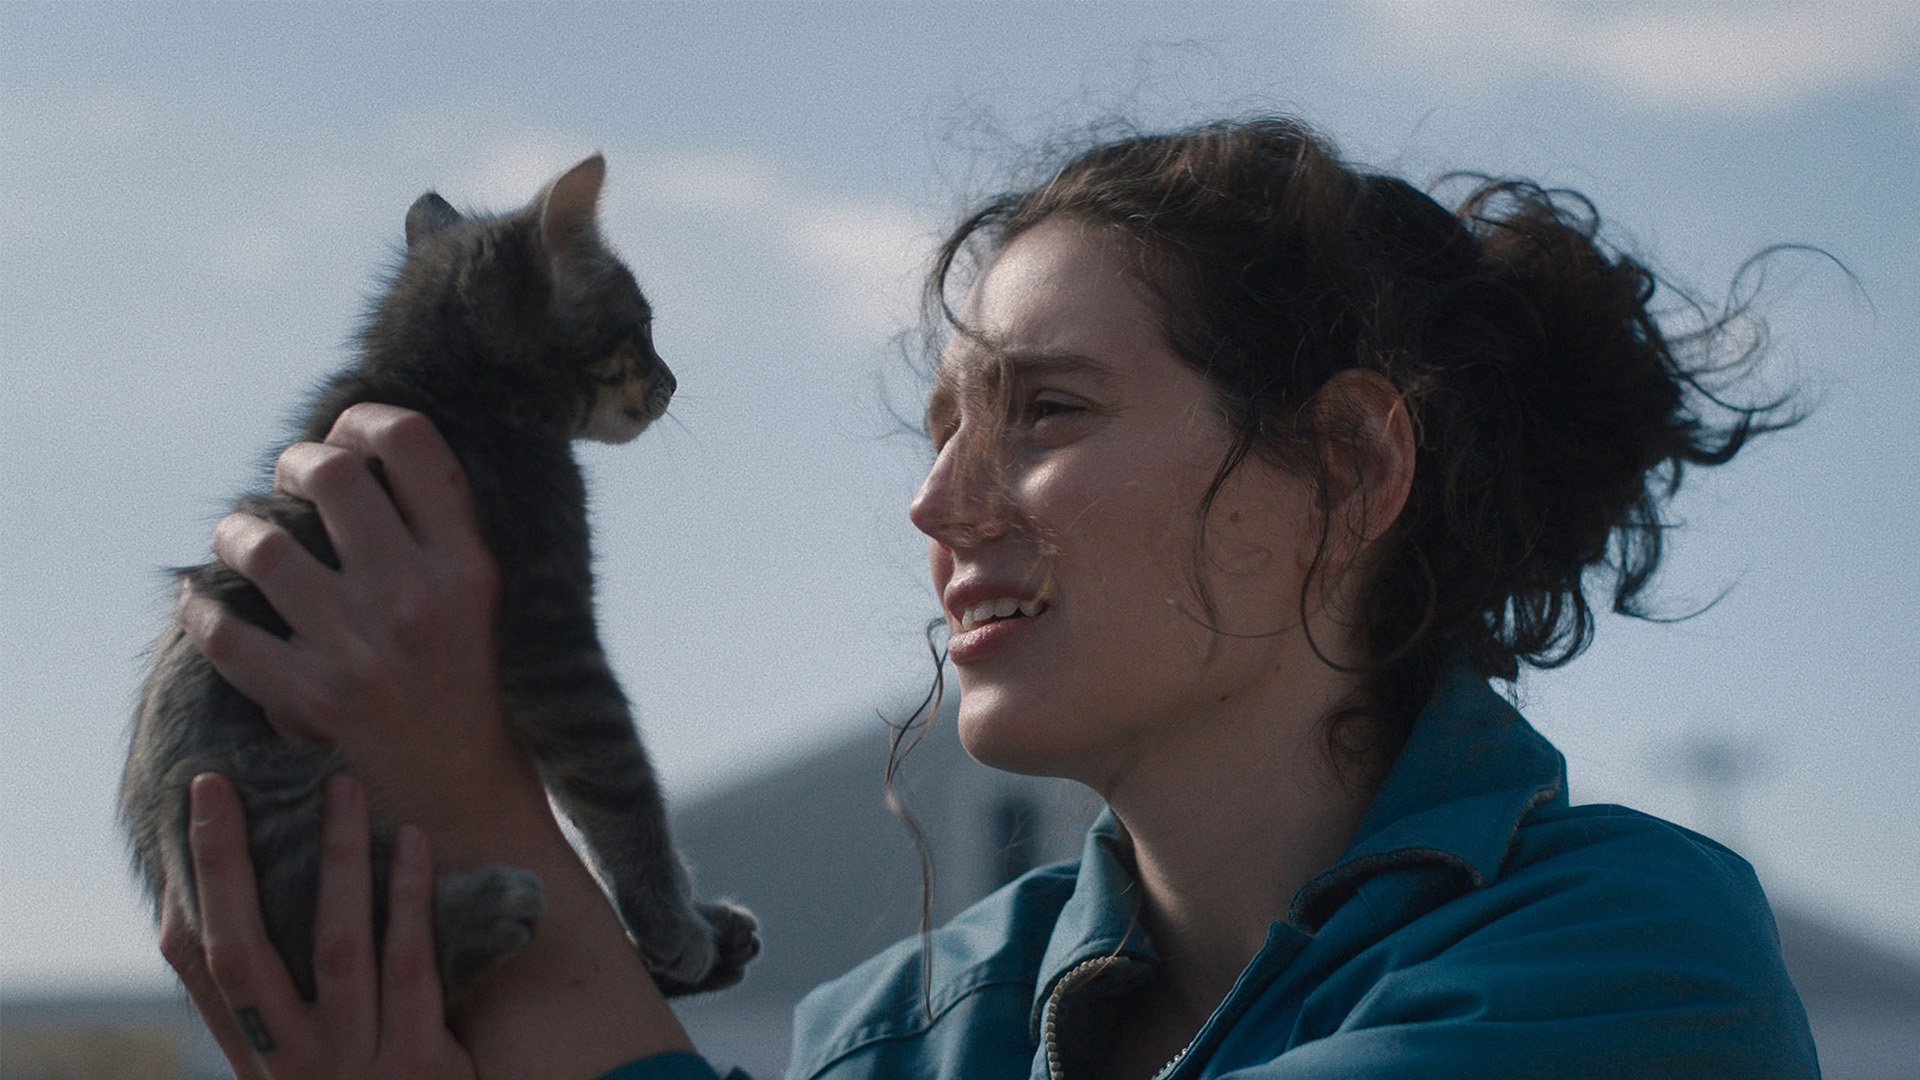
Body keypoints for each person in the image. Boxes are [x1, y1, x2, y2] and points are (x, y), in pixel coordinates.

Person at [165, 117, 1820, 1079]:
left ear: (1352, 468)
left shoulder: (1634, 964)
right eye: (942, 420)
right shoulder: (892, 1035)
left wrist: (477, 808)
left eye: (1046, 411)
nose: (934, 502)